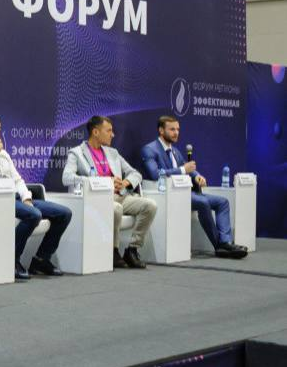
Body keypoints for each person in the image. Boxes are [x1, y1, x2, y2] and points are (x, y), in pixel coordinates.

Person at [0, 114, 71, 280]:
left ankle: (41, 259)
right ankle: (12, 259)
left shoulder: (4, 154)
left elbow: (18, 180)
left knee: (64, 213)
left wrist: (26, 198)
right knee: (34, 215)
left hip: (16, 198)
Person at [140, 115, 247, 259]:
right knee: (203, 203)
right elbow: (155, 174)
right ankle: (220, 246)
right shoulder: (149, 149)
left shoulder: (175, 151)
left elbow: (188, 168)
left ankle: (226, 241)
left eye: (178, 129)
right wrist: (183, 170)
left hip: (187, 192)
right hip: (169, 194)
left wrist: (197, 176)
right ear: (161, 130)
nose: (176, 133)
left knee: (222, 202)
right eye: (172, 129)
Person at [62, 116, 155, 269]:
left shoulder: (113, 153)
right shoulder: (77, 153)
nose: (113, 134)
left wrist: (125, 182)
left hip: (119, 196)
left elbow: (136, 174)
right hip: (96, 199)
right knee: (116, 209)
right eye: (109, 131)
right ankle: (113, 251)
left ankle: (132, 249)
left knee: (150, 206)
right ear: (95, 132)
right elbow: (67, 178)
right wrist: (102, 181)